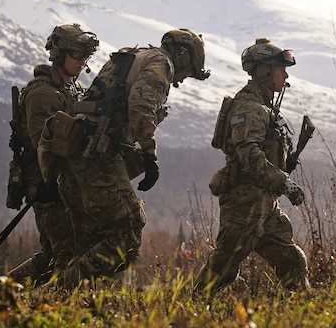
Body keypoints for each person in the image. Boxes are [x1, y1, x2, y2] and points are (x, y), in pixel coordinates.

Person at [42, 28, 210, 288]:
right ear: (183, 56)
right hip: (99, 155)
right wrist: (149, 153)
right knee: (128, 234)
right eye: (188, 72)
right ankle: (61, 289)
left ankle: (57, 301)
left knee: (89, 238)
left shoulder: (135, 56)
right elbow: (142, 107)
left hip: (76, 153)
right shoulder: (160, 64)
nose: (183, 78)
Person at [194, 37, 309, 295]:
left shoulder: (263, 107)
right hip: (244, 201)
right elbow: (250, 155)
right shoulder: (250, 108)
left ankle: (305, 311)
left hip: (264, 201)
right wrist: (284, 182)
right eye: (281, 69)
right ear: (264, 72)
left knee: (292, 261)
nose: (285, 75)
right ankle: (185, 308)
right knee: (223, 266)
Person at [6, 23, 99, 284]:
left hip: (66, 183)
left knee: (50, 256)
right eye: (77, 56)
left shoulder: (73, 90)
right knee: (67, 255)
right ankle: (54, 309)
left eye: (86, 57)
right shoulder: (42, 93)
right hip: (46, 184)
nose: (82, 62)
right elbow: (42, 145)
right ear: (59, 55)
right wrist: (50, 182)